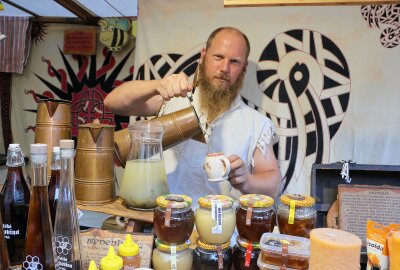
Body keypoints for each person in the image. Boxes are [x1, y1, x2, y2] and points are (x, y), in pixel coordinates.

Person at [104, 27, 282, 204]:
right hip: (160, 220)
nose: (224, 68)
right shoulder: (173, 99)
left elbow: (273, 184)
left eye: (234, 61)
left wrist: (247, 181)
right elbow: (113, 102)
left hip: (219, 227)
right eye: (218, 57)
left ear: (244, 68)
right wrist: (159, 85)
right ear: (204, 55)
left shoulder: (255, 123)